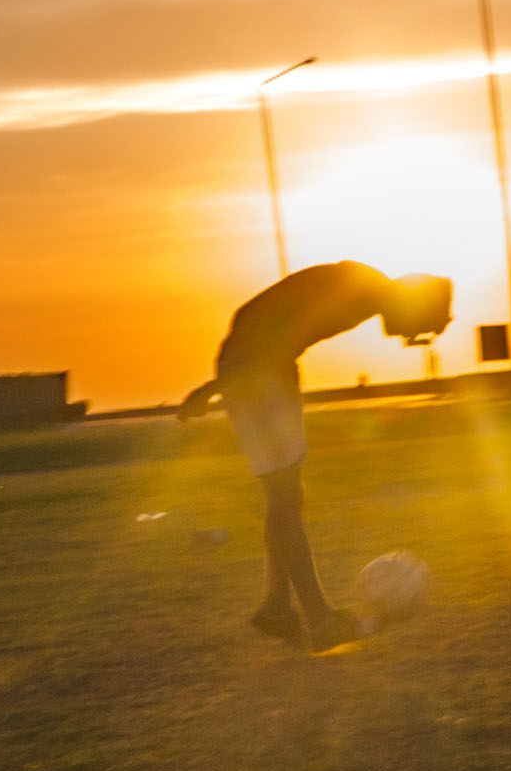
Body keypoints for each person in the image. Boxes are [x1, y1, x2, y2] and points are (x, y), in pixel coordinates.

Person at [178, 262, 455, 652]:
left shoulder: (365, 290)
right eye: (418, 325)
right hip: (255, 368)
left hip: (268, 368)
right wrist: (215, 386)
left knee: (287, 496)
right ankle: (320, 620)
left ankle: (276, 607)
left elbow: (278, 329)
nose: (406, 337)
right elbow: (272, 334)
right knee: (285, 498)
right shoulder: (359, 292)